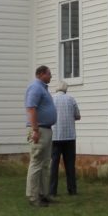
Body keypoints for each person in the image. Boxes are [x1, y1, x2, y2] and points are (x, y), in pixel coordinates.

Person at [25, 65, 57, 208]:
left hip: (47, 129)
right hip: (40, 130)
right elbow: (31, 108)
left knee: (45, 164)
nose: (51, 76)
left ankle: (44, 194)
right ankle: (33, 196)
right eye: (49, 74)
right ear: (41, 74)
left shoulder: (43, 88)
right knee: (37, 162)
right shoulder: (35, 88)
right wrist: (35, 130)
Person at [50, 81, 81, 197]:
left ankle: (52, 191)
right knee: (70, 165)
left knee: (54, 164)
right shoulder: (71, 99)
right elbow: (78, 116)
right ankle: (72, 190)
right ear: (66, 89)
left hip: (55, 136)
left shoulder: (52, 99)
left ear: (56, 89)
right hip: (69, 137)